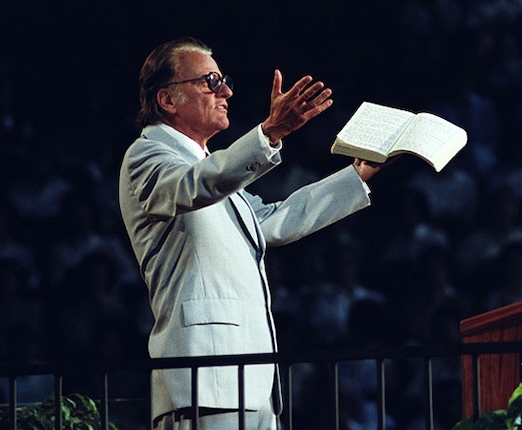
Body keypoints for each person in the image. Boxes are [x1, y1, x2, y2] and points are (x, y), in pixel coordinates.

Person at [118, 37, 390, 429]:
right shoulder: (147, 156)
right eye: (210, 82)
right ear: (167, 100)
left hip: (252, 383)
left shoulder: (210, 167)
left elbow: (274, 220)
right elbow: (196, 185)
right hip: (205, 382)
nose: (226, 91)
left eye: (224, 79)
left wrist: (358, 175)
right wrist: (269, 133)